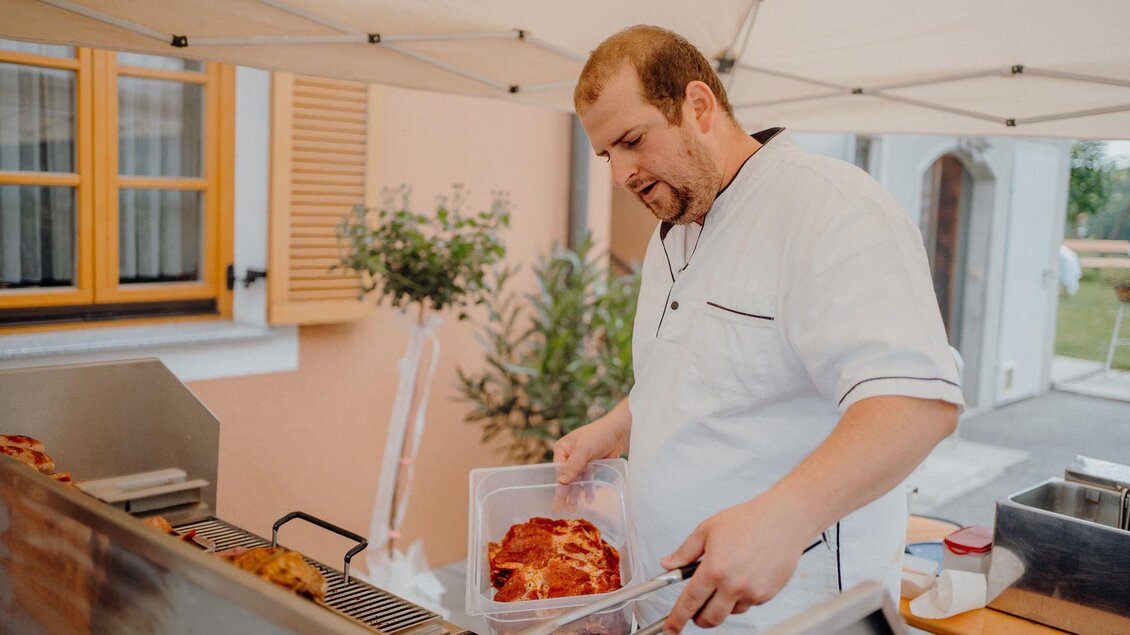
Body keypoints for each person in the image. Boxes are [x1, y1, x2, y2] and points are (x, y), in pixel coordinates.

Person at [554, 25, 964, 634]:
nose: (620, 174)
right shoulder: (679, 224)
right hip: (671, 605)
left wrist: (784, 516)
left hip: (797, 616)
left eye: (632, 141)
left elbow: (916, 403)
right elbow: (694, 373)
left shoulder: (830, 207)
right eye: (607, 155)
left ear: (698, 106)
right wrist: (615, 427)